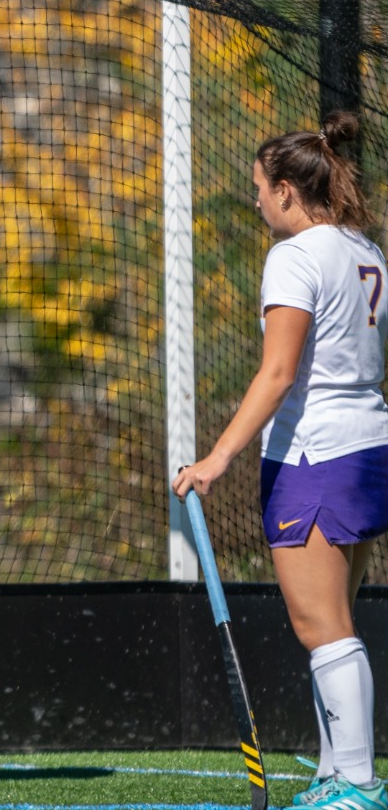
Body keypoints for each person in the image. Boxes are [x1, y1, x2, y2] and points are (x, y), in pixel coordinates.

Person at [175, 111, 388, 810]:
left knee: (319, 626)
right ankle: (338, 774)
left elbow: (278, 373)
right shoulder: (364, 248)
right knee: (337, 621)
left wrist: (217, 457)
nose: (257, 200)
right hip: (367, 445)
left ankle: (356, 783)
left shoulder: (295, 257)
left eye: (261, 188)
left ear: (290, 190)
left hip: (315, 454)